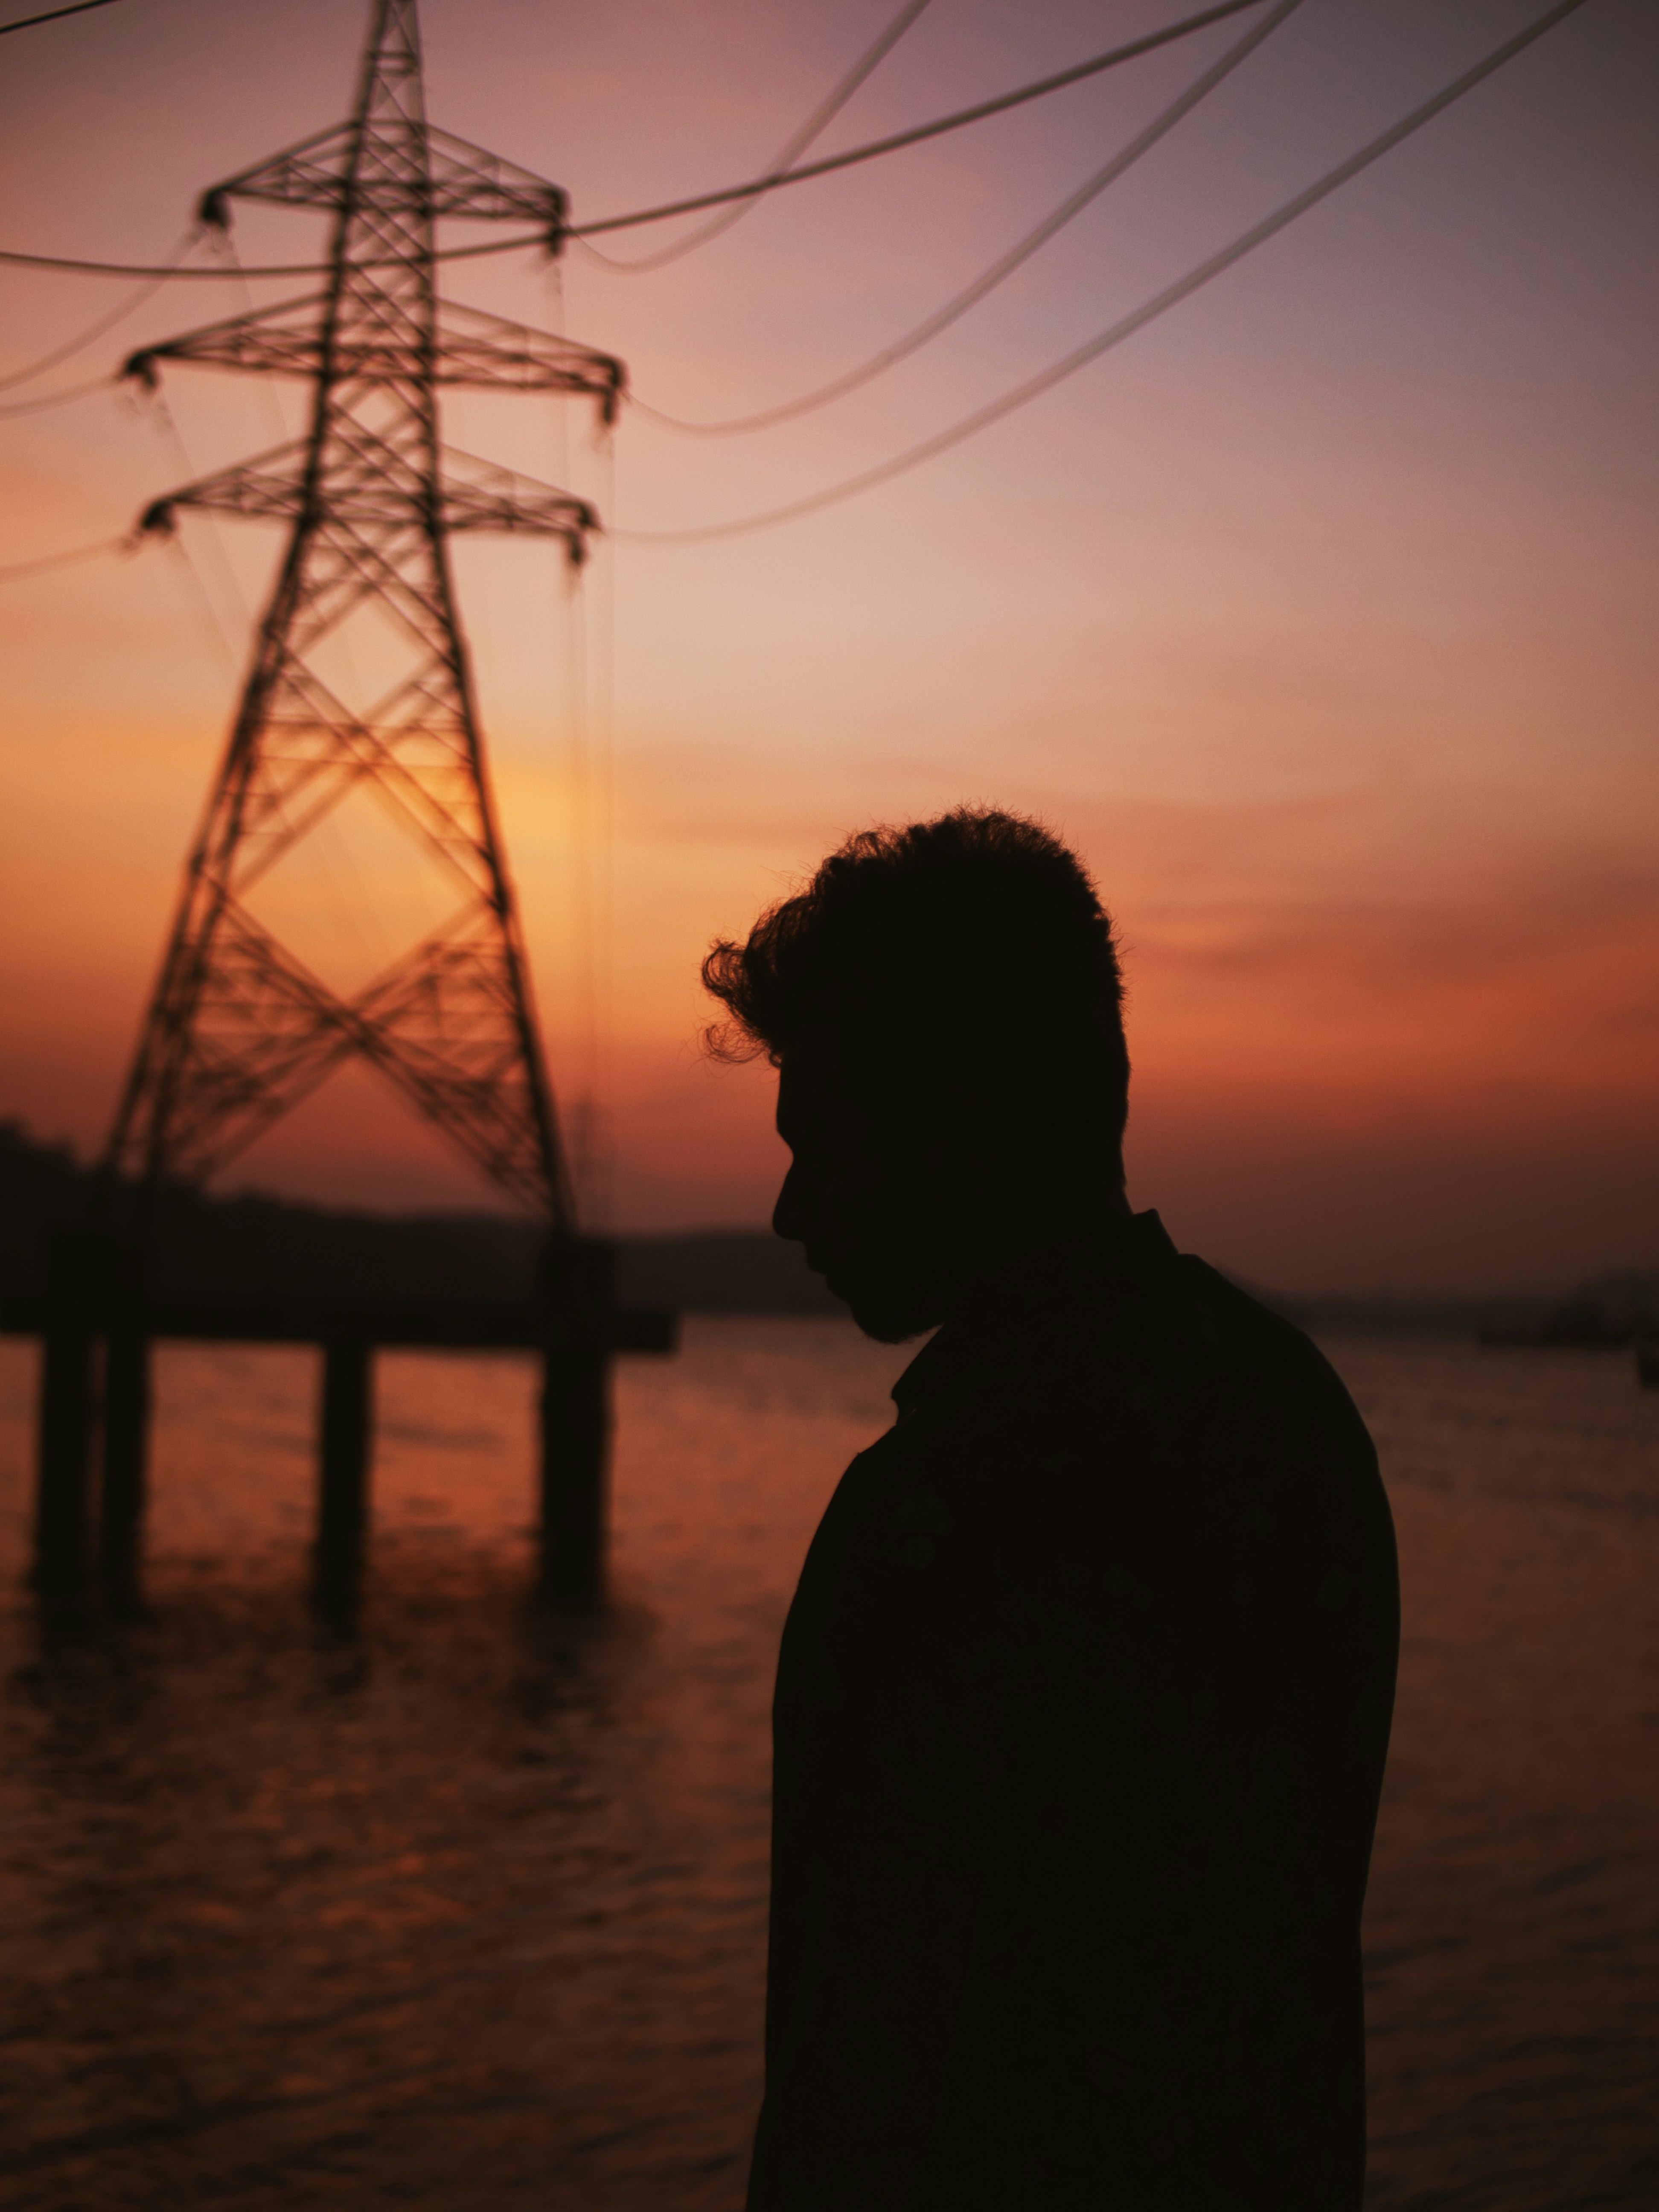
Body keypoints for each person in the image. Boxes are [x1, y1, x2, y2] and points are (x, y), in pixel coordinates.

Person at [702, 808, 1399, 2211]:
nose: (788, 1213)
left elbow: (862, 2077)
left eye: (824, 1148)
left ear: (959, 1132)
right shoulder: (1290, 1416)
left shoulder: (942, 1513)